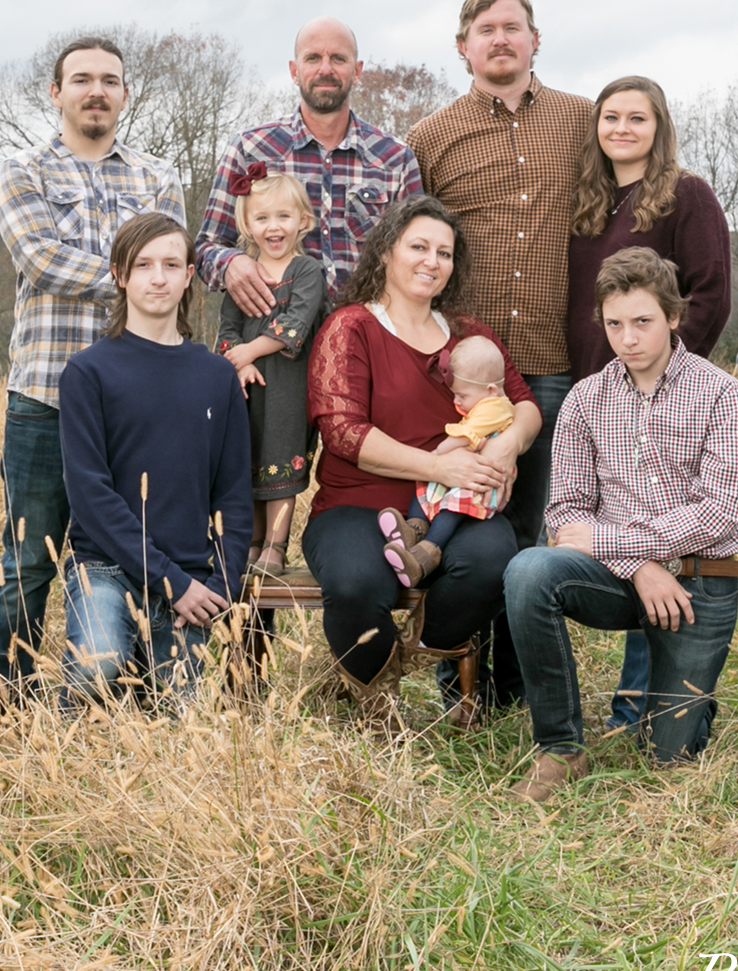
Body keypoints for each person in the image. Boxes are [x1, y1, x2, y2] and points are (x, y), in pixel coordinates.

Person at [407, 0, 593, 716]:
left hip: (549, 362)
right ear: (463, 47)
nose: (500, 40)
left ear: (534, 39)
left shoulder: (581, 122)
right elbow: (408, 244)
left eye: (513, 28)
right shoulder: (432, 136)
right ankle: (459, 677)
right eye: (485, 30)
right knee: (462, 517)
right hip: (463, 371)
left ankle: (518, 683)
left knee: (529, 525)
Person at [504, 248, 738, 802]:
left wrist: (620, 542)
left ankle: (688, 706)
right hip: (615, 579)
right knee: (527, 571)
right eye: (615, 324)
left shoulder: (719, 392)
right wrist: (638, 564)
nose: (628, 338)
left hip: (697, 581)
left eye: (643, 322)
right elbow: (564, 514)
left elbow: (718, 512)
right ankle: (561, 748)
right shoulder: (586, 398)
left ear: (673, 318)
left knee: (667, 763)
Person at [0, 37, 185, 694]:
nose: (95, 90)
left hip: (136, 407)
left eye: (109, 80)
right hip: (44, 398)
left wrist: (153, 278)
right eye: (81, 79)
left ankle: (123, 689)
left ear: (126, 93)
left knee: (130, 551)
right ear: (56, 92)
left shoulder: (157, 177)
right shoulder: (23, 172)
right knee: (27, 562)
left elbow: (173, 272)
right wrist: (139, 274)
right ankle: (9, 700)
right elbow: (40, 262)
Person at [303, 196, 541, 727]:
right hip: (357, 504)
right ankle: (374, 701)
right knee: (356, 582)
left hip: (456, 508)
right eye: (418, 247)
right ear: (387, 251)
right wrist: (438, 467)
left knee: (490, 562)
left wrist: (507, 445)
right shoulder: (351, 328)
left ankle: (413, 652)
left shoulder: (469, 335)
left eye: (445, 252)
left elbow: (523, 403)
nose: (432, 261)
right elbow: (343, 432)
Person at [565, 75, 734, 737]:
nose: (623, 129)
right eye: (611, 117)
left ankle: (639, 704)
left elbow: (711, 290)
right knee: (608, 536)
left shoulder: (684, 196)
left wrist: (662, 377)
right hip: (593, 399)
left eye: (638, 118)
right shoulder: (590, 205)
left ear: (659, 126)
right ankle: (626, 703)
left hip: (659, 397)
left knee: (652, 531)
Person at [58, 214, 252, 709]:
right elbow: (90, 496)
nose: (158, 277)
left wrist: (219, 587)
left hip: (192, 578)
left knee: (183, 717)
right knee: (97, 669)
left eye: (170, 264)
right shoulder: (88, 372)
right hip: (104, 566)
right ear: (121, 275)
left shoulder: (216, 376)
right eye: (143, 264)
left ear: (190, 275)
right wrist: (169, 580)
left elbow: (233, 493)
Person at [195, 16, 423, 309]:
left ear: (357, 71)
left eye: (338, 58)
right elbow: (206, 247)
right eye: (313, 58)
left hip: (365, 337)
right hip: (271, 337)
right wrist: (231, 264)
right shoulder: (250, 148)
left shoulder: (395, 159)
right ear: (294, 70)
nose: (325, 69)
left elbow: (418, 257)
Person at [214, 170, 327, 574]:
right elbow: (226, 328)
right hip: (245, 387)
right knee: (251, 462)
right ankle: (252, 542)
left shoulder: (307, 271)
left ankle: (276, 548)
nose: (273, 226)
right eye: (261, 218)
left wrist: (247, 353)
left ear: (303, 221)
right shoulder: (242, 275)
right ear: (246, 225)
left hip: (288, 386)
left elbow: (293, 326)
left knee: (280, 460)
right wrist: (235, 364)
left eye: (283, 216)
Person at [379, 335, 514, 587]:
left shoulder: (495, 408)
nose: (456, 402)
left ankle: (426, 554)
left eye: (462, 395)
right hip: (463, 472)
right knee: (426, 485)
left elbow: (463, 438)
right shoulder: (484, 402)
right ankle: (413, 530)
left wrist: (438, 454)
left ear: (491, 390)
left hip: (477, 482)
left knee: (451, 508)